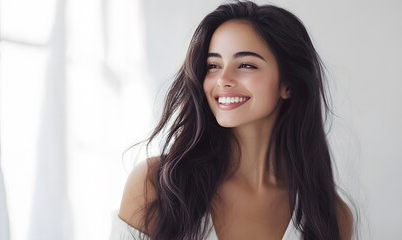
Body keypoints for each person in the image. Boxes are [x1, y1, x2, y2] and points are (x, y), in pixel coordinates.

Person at [112, 1, 354, 239]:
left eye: (246, 65)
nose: (223, 79)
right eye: (213, 65)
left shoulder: (330, 215)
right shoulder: (156, 186)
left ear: (288, 84)